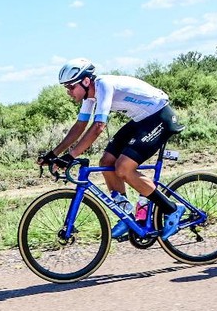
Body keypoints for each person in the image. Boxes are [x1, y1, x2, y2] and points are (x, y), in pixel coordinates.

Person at [38, 59, 186, 240]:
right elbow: (80, 126)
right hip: (142, 120)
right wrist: (54, 154)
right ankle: (126, 214)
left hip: (160, 116)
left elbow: (99, 126)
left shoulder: (103, 85)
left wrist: (71, 156)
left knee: (124, 167)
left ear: (85, 82)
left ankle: (172, 209)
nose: (68, 92)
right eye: (66, 88)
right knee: (106, 161)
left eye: (70, 87)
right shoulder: (90, 96)